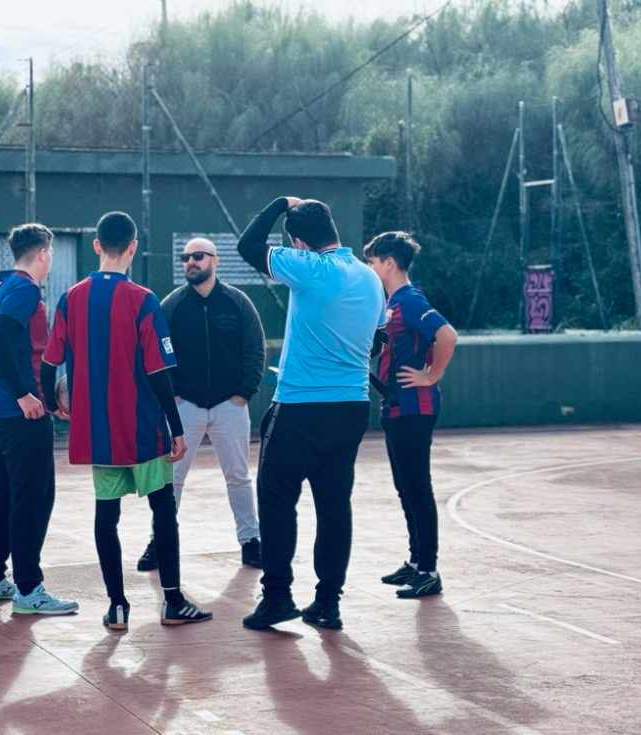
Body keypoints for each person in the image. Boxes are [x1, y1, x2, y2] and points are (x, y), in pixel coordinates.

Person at [40, 211, 213, 631]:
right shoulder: (143, 299)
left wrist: (52, 404)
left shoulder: (71, 298)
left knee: (106, 514)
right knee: (162, 510)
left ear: (97, 246)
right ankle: (171, 602)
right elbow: (159, 372)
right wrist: (174, 426)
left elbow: (48, 362)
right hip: (143, 428)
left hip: (99, 430)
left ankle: (117, 606)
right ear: (133, 247)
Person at [236, 197, 386, 631]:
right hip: (351, 407)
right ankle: (327, 602)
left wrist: (279, 204)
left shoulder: (308, 268)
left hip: (300, 407)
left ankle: (278, 596)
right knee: (335, 504)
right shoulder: (370, 278)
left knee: (278, 501)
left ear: (299, 243)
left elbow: (249, 246)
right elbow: (377, 340)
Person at [136, 237, 265, 572]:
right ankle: (159, 541)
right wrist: (173, 392)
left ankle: (251, 542)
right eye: (185, 257)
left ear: (214, 260)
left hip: (230, 405)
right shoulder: (172, 305)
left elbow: (255, 348)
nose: (190, 262)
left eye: (197, 256)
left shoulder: (238, 302)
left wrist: (245, 392)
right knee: (172, 478)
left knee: (238, 476)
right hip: (185, 406)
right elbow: (156, 351)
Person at [0, 224, 77, 614]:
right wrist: (22, 392)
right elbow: (0, 333)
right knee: (33, 497)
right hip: (20, 412)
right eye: (49, 255)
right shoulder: (24, 289)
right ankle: (29, 589)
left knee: (1, 493)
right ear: (43, 254)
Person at [364, 231, 458, 599]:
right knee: (406, 488)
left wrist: (431, 375)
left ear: (389, 263)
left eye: (372, 262)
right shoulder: (392, 305)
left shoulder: (410, 300)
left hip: (414, 408)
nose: (370, 268)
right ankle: (417, 563)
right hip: (397, 406)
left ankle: (429, 570)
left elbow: (447, 336)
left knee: (418, 488)